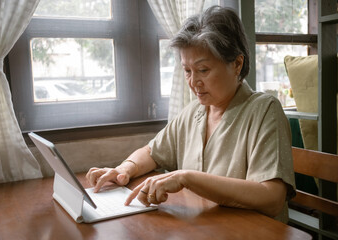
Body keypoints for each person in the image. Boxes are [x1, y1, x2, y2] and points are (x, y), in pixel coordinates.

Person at [86, 6, 296, 223]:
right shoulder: (194, 111)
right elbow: (152, 151)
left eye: (203, 70)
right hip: (204, 228)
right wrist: (123, 170)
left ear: (237, 64)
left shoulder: (264, 110)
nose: (194, 82)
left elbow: (272, 198)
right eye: (187, 71)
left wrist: (187, 178)